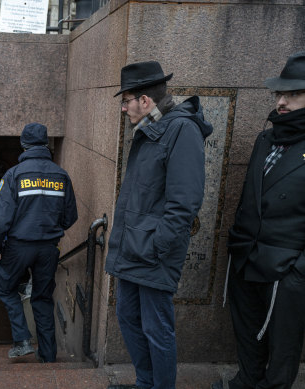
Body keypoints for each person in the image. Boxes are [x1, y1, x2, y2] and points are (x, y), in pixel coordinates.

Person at [104, 61, 213, 389]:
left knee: (157, 328)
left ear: (145, 101)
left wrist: (157, 245)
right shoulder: (152, 128)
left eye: (126, 101)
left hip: (152, 251)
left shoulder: (181, 129)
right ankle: (146, 382)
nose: (124, 108)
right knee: (127, 317)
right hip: (134, 248)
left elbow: (185, 201)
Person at [212, 51, 305, 389]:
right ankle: (246, 381)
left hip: (286, 269)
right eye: (279, 93)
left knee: (283, 347)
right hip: (246, 257)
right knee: (247, 334)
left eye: (293, 94)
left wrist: (298, 271)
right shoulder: (266, 138)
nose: (281, 101)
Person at [0, 122, 78, 363]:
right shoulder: (61, 175)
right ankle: (47, 355)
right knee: (43, 297)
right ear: (46, 144)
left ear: (24, 145)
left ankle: (22, 339)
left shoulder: (14, 175)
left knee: (5, 288)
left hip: (18, 246)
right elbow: (70, 217)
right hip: (49, 248)